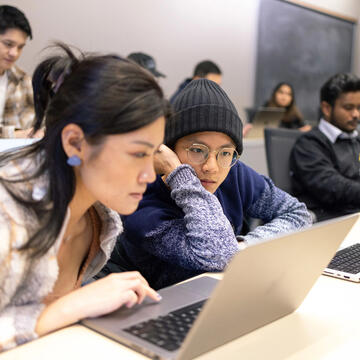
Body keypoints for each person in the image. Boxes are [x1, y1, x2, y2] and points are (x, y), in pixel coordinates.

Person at [0, 43, 171, 351]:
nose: (149, 174)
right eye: (137, 154)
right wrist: (72, 306)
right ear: (75, 142)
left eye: (154, 154)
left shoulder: (97, 215)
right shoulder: (8, 212)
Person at [99, 79, 312, 290]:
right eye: (197, 150)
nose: (212, 166)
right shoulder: (141, 199)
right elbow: (219, 256)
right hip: (165, 306)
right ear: (168, 150)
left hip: (225, 294)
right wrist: (180, 176)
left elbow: (298, 214)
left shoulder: (232, 170)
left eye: (225, 152)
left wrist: (245, 246)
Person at [290, 73, 360, 222]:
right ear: (327, 108)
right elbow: (334, 187)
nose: (356, 114)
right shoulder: (309, 145)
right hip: (332, 223)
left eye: (359, 108)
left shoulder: (355, 139)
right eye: (349, 108)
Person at [0, 5, 35, 136]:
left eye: (20, 47)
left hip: (15, 155)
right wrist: (13, 134)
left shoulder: (23, 81)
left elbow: (36, 125)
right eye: (8, 44)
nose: (14, 53)